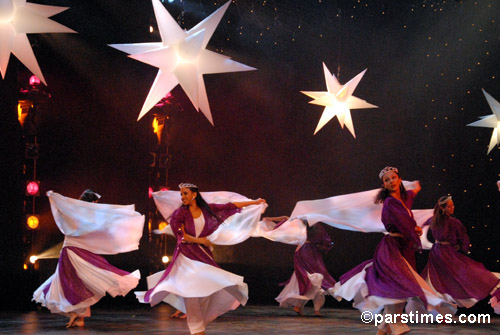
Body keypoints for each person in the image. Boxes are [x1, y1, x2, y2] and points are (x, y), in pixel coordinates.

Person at [136, 183, 266, 335]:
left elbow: (230, 206)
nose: (182, 197)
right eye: (181, 194)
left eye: (185, 193)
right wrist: (202, 241)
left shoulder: (207, 209)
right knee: (191, 292)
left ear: (194, 194)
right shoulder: (180, 213)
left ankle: (200, 326)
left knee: (206, 288)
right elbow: (182, 236)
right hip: (186, 255)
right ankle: (197, 329)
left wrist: (254, 202)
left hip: (203, 255)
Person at [333, 167, 445, 335]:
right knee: (397, 289)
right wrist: (414, 231)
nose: (391, 181)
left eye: (394, 178)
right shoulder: (391, 203)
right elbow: (403, 223)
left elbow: (407, 212)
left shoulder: (400, 201)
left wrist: (414, 194)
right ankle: (397, 327)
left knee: (399, 291)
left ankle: (383, 330)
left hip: (403, 248)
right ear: (383, 185)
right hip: (392, 248)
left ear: (399, 180)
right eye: (387, 180)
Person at [33, 189, 143, 328]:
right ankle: (77, 314)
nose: (96, 205)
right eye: (95, 202)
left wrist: (53, 197)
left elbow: (63, 208)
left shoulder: (76, 212)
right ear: (91, 202)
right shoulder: (83, 214)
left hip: (73, 250)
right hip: (73, 251)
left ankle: (79, 317)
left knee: (76, 283)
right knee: (75, 283)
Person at [421, 196, 500, 313]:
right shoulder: (443, 221)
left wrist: (461, 247)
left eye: (453, 205)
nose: (452, 208)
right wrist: (461, 247)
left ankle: (441, 311)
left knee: (448, 279)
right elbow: (463, 239)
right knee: (442, 280)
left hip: (441, 253)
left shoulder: (440, 221)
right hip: (442, 254)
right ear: (443, 208)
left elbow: (463, 238)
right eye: (449, 206)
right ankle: (439, 311)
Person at [269, 216, 336, 316]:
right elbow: (325, 241)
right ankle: (311, 309)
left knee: (312, 279)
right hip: (306, 251)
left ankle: (303, 307)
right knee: (313, 279)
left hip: (308, 251)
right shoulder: (308, 224)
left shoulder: (312, 225)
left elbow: (325, 241)